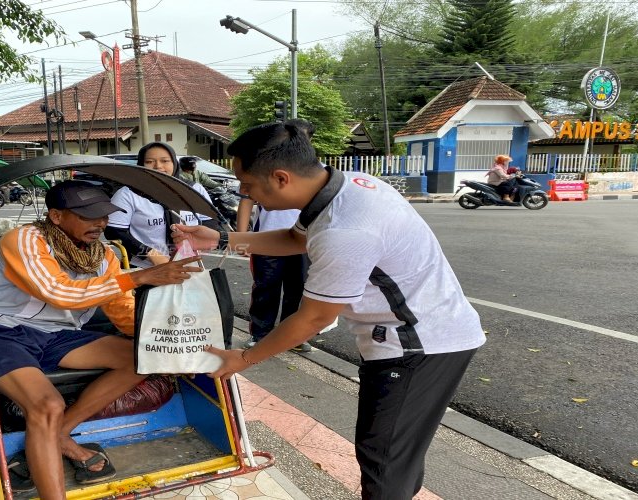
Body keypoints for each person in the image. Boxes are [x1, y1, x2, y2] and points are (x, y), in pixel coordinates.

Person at [172, 120, 485, 499]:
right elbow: (295, 238)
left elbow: (314, 318)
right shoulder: (346, 187)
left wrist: (245, 357)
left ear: (281, 178)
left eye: (248, 184)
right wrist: (223, 238)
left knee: (383, 460)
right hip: (419, 335)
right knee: (394, 454)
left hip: (419, 346)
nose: (244, 193)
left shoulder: (345, 230)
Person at [0, 180, 201, 498]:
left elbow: (123, 311)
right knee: (47, 405)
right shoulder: (25, 239)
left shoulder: (104, 256)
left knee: (143, 355)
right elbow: (58, 292)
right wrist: (139, 276)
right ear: (56, 216)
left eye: (104, 216)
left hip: (57, 334)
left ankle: (59, 434)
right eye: (88, 216)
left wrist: (170, 345)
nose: (100, 223)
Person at [105, 142, 220, 268]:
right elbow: (114, 231)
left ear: (174, 163)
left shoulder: (194, 189)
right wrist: (150, 254)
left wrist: (199, 243)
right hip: (144, 268)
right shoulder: (128, 194)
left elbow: (210, 221)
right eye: (149, 162)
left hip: (190, 265)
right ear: (141, 164)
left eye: (165, 161)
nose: (158, 166)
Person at [236, 197, 311, 352]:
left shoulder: (317, 178)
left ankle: (292, 336)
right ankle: (260, 336)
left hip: (304, 238)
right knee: (265, 288)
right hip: (267, 236)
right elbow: (247, 199)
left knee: (299, 289)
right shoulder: (259, 178)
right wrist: (241, 237)